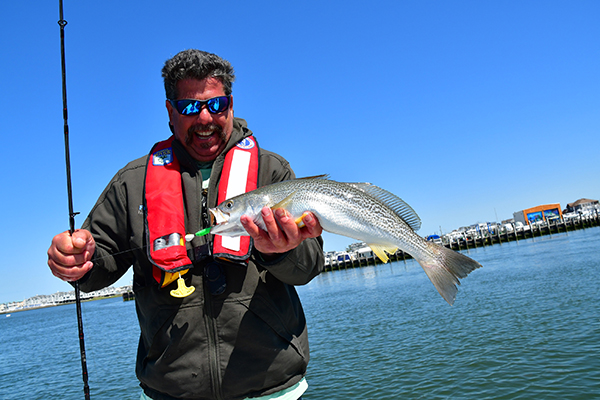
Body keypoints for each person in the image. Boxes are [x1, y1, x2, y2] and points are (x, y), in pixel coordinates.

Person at [47, 49, 324, 400]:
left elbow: (309, 266)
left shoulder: (272, 172)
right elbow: (96, 263)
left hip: (273, 388)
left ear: (231, 104)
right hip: (172, 390)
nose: (205, 117)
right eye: (191, 107)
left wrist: (283, 253)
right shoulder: (131, 183)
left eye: (217, 104)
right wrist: (75, 261)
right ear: (170, 111)